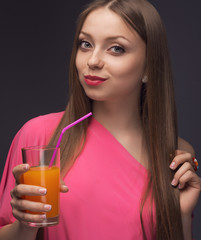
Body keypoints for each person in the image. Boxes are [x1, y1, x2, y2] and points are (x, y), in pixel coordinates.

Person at [0, 0, 200, 239]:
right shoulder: (40, 136)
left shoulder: (175, 155)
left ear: (149, 66)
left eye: (116, 48)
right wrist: (24, 224)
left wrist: (179, 216)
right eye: (85, 44)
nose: (92, 61)